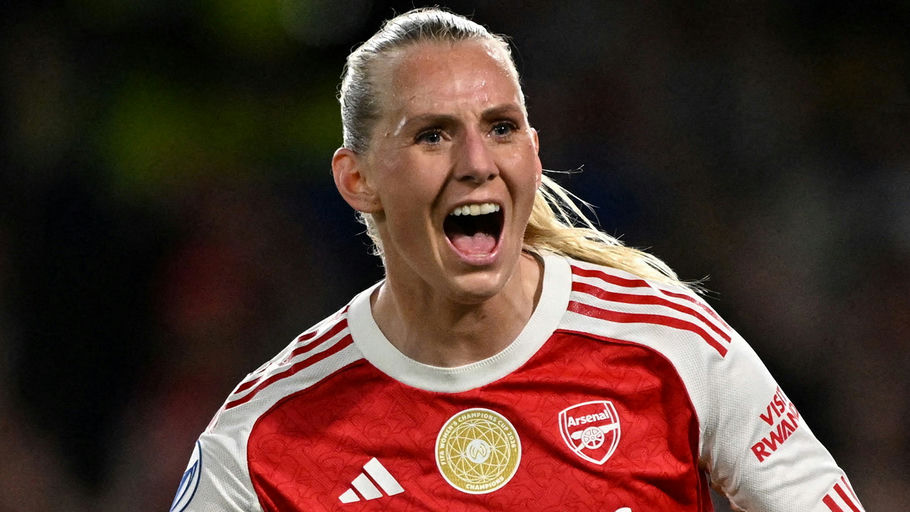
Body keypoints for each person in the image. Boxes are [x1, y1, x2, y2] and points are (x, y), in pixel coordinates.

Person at [171, 8, 864, 512]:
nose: (477, 162)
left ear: (532, 152)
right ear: (359, 179)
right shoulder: (265, 437)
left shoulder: (667, 342)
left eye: (500, 128)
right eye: (433, 135)